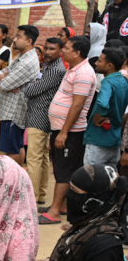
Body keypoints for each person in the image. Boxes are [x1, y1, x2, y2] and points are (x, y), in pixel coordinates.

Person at [40, 36, 96, 225]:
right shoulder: (74, 69)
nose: (63, 51)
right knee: (62, 168)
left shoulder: (84, 74)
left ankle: (54, 212)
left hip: (71, 132)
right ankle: (62, 205)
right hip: (61, 128)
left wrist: (64, 132)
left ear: (77, 52)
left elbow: (77, 105)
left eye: (67, 48)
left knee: (63, 171)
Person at [25, 38, 66, 205]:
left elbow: (31, 89)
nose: (48, 52)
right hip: (40, 115)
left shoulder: (56, 69)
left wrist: (32, 86)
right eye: (46, 48)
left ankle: (32, 197)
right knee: (41, 157)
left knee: (34, 158)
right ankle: (39, 194)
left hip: (39, 116)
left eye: (52, 49)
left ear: (60, 51)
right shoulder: (49, 66)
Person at [0, 25, 40, 164]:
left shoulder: (27, 62)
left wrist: (3, 79)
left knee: (11, 151)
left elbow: (3, 85)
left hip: (13, 112)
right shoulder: (23, 56)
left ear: (28, 41)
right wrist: (2, 77)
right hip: (12, 110)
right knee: (17, 146)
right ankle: (18, 178)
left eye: (19, 36)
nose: (14, 39)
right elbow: (0, 74)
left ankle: (11, 182)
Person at [84, 47, 128, 168]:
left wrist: (98, 115)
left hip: (98, 140)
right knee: (109, 180)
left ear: (109, 66)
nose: (96, 63)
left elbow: (103, 103)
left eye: (100, 60)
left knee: (91, 178)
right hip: (114, 140)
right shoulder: (123, 81)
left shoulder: (107, 83)